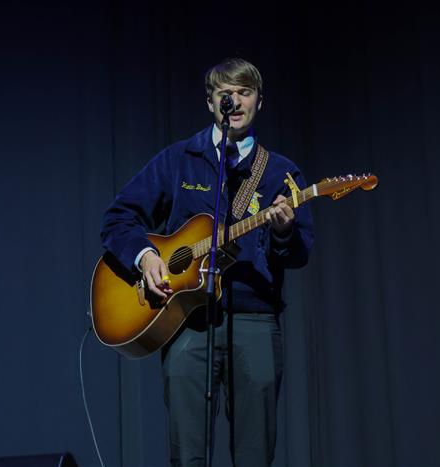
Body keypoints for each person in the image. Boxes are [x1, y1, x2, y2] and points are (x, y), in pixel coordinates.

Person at [101, 57, 314, 467]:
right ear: (211, 102)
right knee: (188, 454)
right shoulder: (179, 159)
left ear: (259, 102)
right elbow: (118, 218)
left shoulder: (281, 172)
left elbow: (300, 252)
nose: (234, 101)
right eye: (225, 93)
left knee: (255, 454)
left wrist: (284, 232)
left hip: (255, 320)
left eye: (244, 92)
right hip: (187, 322)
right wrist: (146, 256)